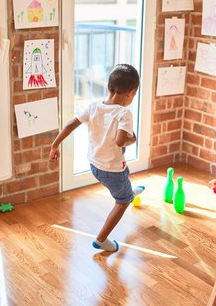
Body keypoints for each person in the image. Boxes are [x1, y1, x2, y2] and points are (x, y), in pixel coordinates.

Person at [49, 64, 145, 252]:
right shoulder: (124, 113)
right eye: (133, 95)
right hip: (111, 171)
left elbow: (70, 124)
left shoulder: (94, 107)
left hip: (94, 165)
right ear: (131, 93)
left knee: (124, 174)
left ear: (109, 87)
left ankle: (129, 192)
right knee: (122, 201)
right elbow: (120, 141)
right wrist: (133, 138)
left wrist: (54, 145)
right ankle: (102, 239)